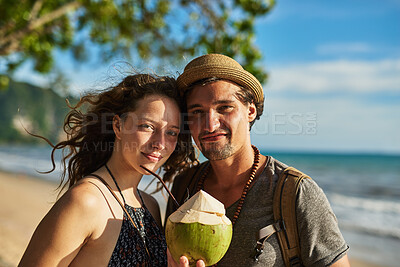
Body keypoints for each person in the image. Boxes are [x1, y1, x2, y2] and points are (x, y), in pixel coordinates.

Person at [165, 54, 351, 266]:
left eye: (224, 107)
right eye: (197, 111)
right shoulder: (184, 187)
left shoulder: (295, 192)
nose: (209, 124)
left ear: (250, 111)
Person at [19, 73, 199, 266]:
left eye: (171, 132)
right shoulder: (86, 201)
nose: (160, 143)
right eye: (147, 126)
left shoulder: (150, 206)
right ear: (118, 126)